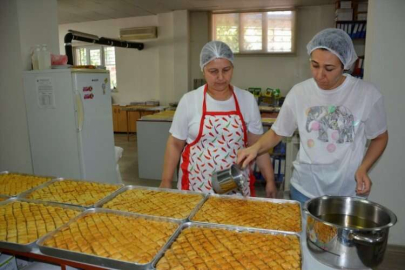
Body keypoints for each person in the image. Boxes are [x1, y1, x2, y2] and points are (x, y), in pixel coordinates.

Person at [237, 28, 388, 204]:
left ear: (345, 65)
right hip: (304, 190)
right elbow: (278, 132)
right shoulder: (299, 92)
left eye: (329, 68)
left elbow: (380, 137)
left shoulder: (366, 94)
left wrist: (363, 168)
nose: (319, 75)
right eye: (314, 65)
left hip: (347, 193)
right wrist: (255, 148)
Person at [159, 41, 277, 197]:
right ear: (203, 70)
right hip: (195, 187)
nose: (221, 77)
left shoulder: (246, 100)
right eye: (213, 71)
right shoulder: (190, 100)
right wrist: (166, 179)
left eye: (226, 70)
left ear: (233, 68)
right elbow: (175, 143)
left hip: (235, 187)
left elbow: (257, 145)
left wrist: (270, 179)